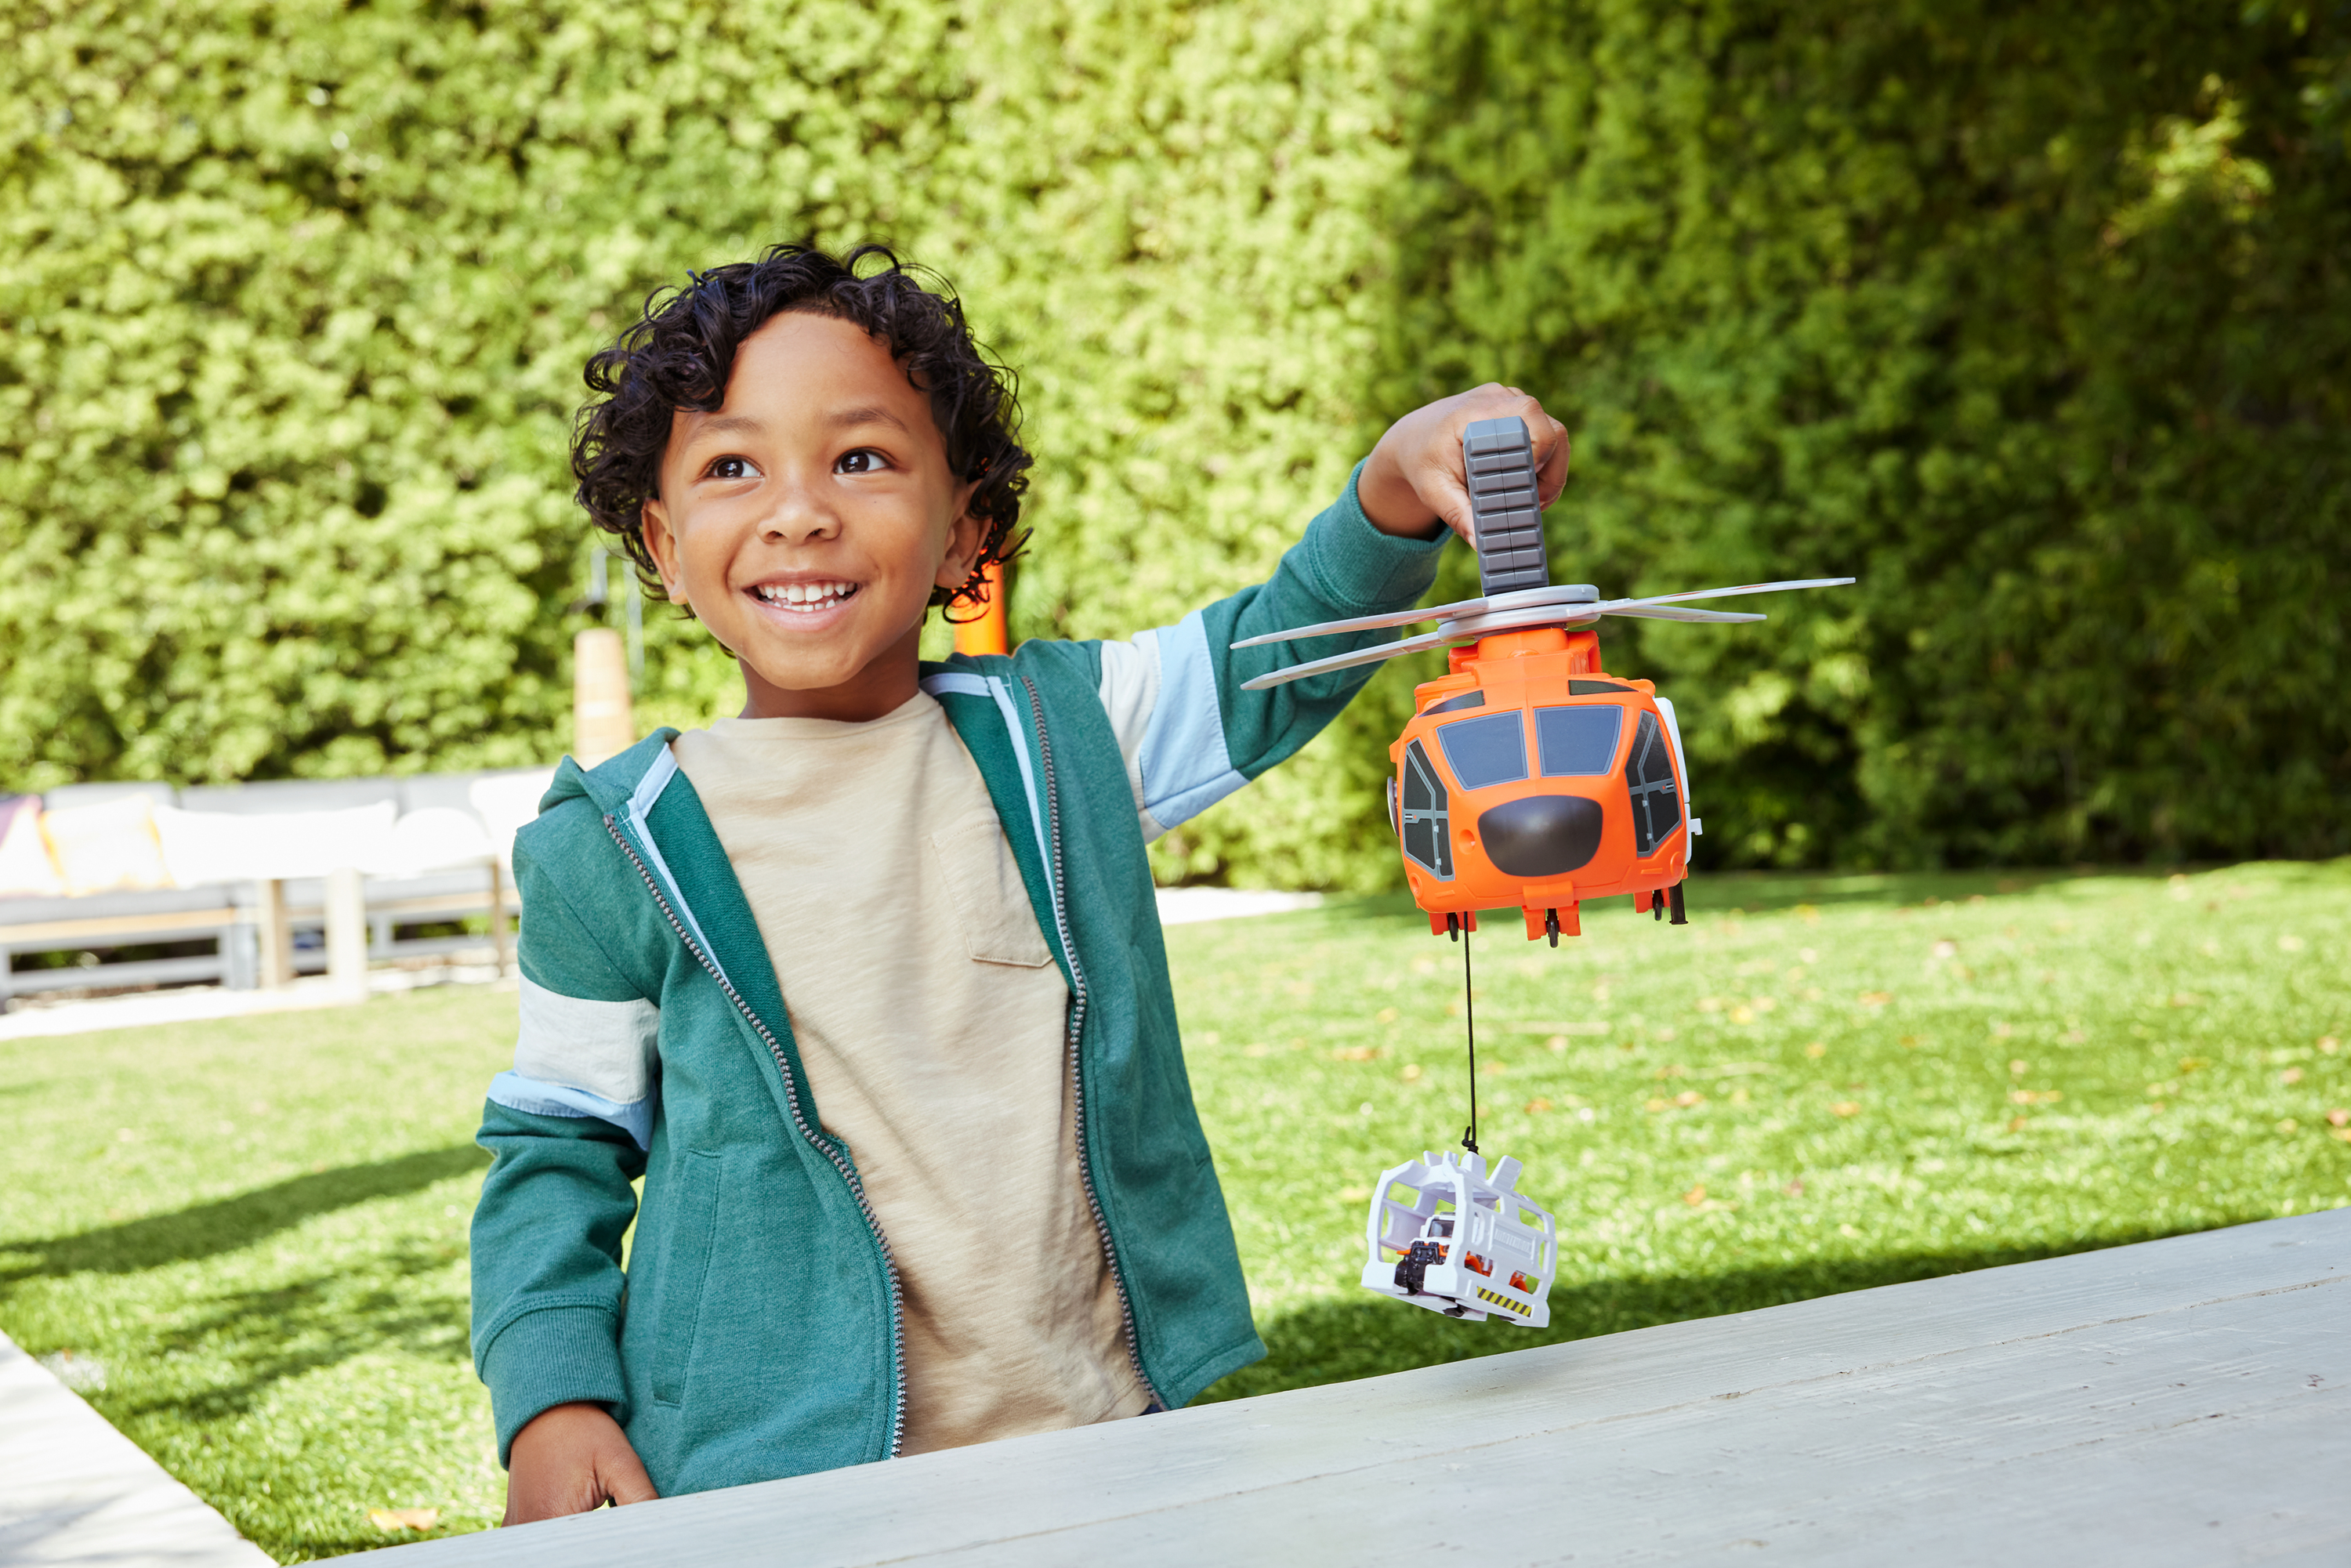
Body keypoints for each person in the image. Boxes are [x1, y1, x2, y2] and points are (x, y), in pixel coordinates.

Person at [469, 242, 1570, 1521]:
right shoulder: (613, 843)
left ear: (966, 530)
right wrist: (552, 1397)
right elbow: (557, 1146)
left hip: (1102, 1439)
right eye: (731, 467)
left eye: (862, 458)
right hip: (765, 1480)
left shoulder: (1064, 738)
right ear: (662, 543)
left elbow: (1286, 644)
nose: (798, 510)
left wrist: (1392, 488)